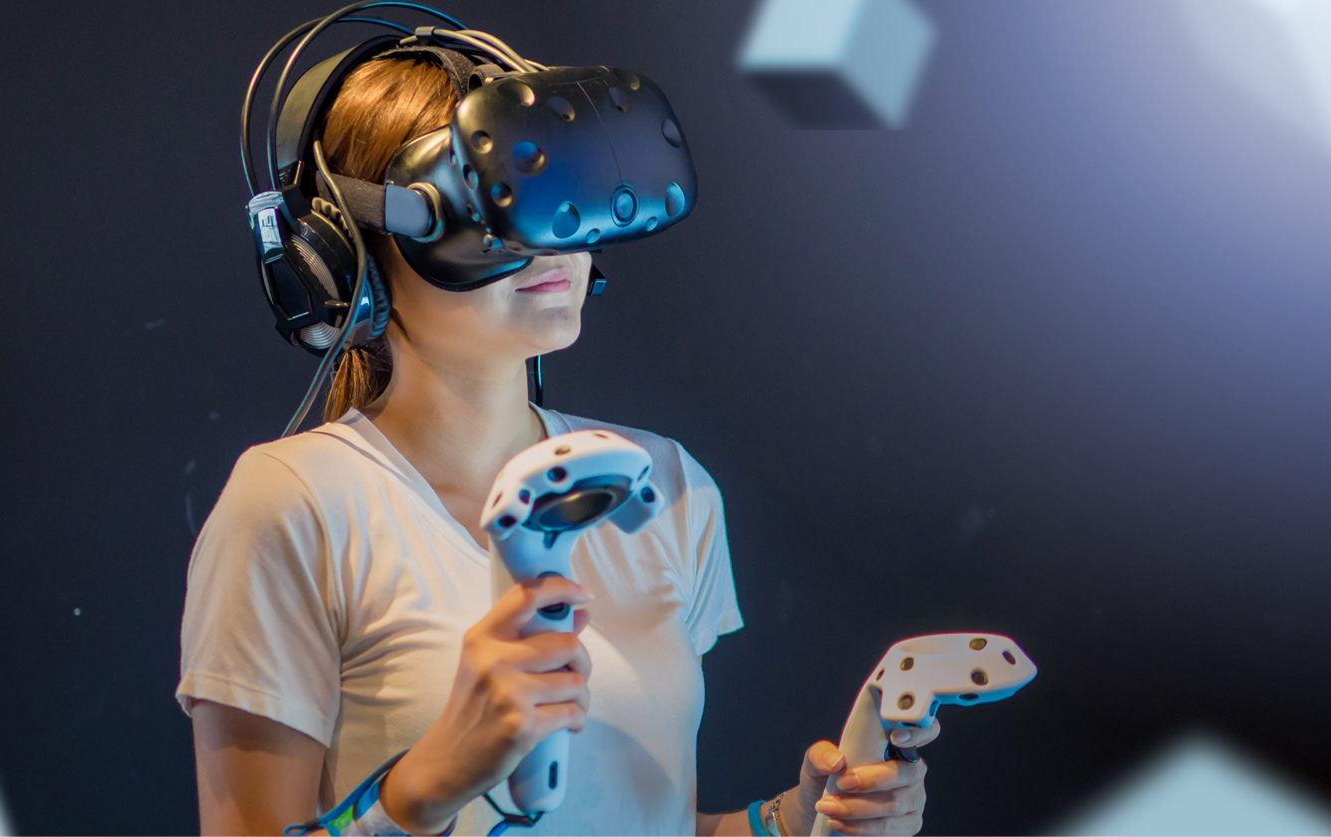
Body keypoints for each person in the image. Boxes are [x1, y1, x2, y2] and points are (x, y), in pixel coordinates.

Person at [177, 54, 938, 836]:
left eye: (551, 186)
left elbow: (649, 821)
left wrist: (793, 820)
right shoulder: (293, 506)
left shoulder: (664, 487)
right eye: (485, 201)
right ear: (347, 248)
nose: (547, 238)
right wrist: (425, 785)